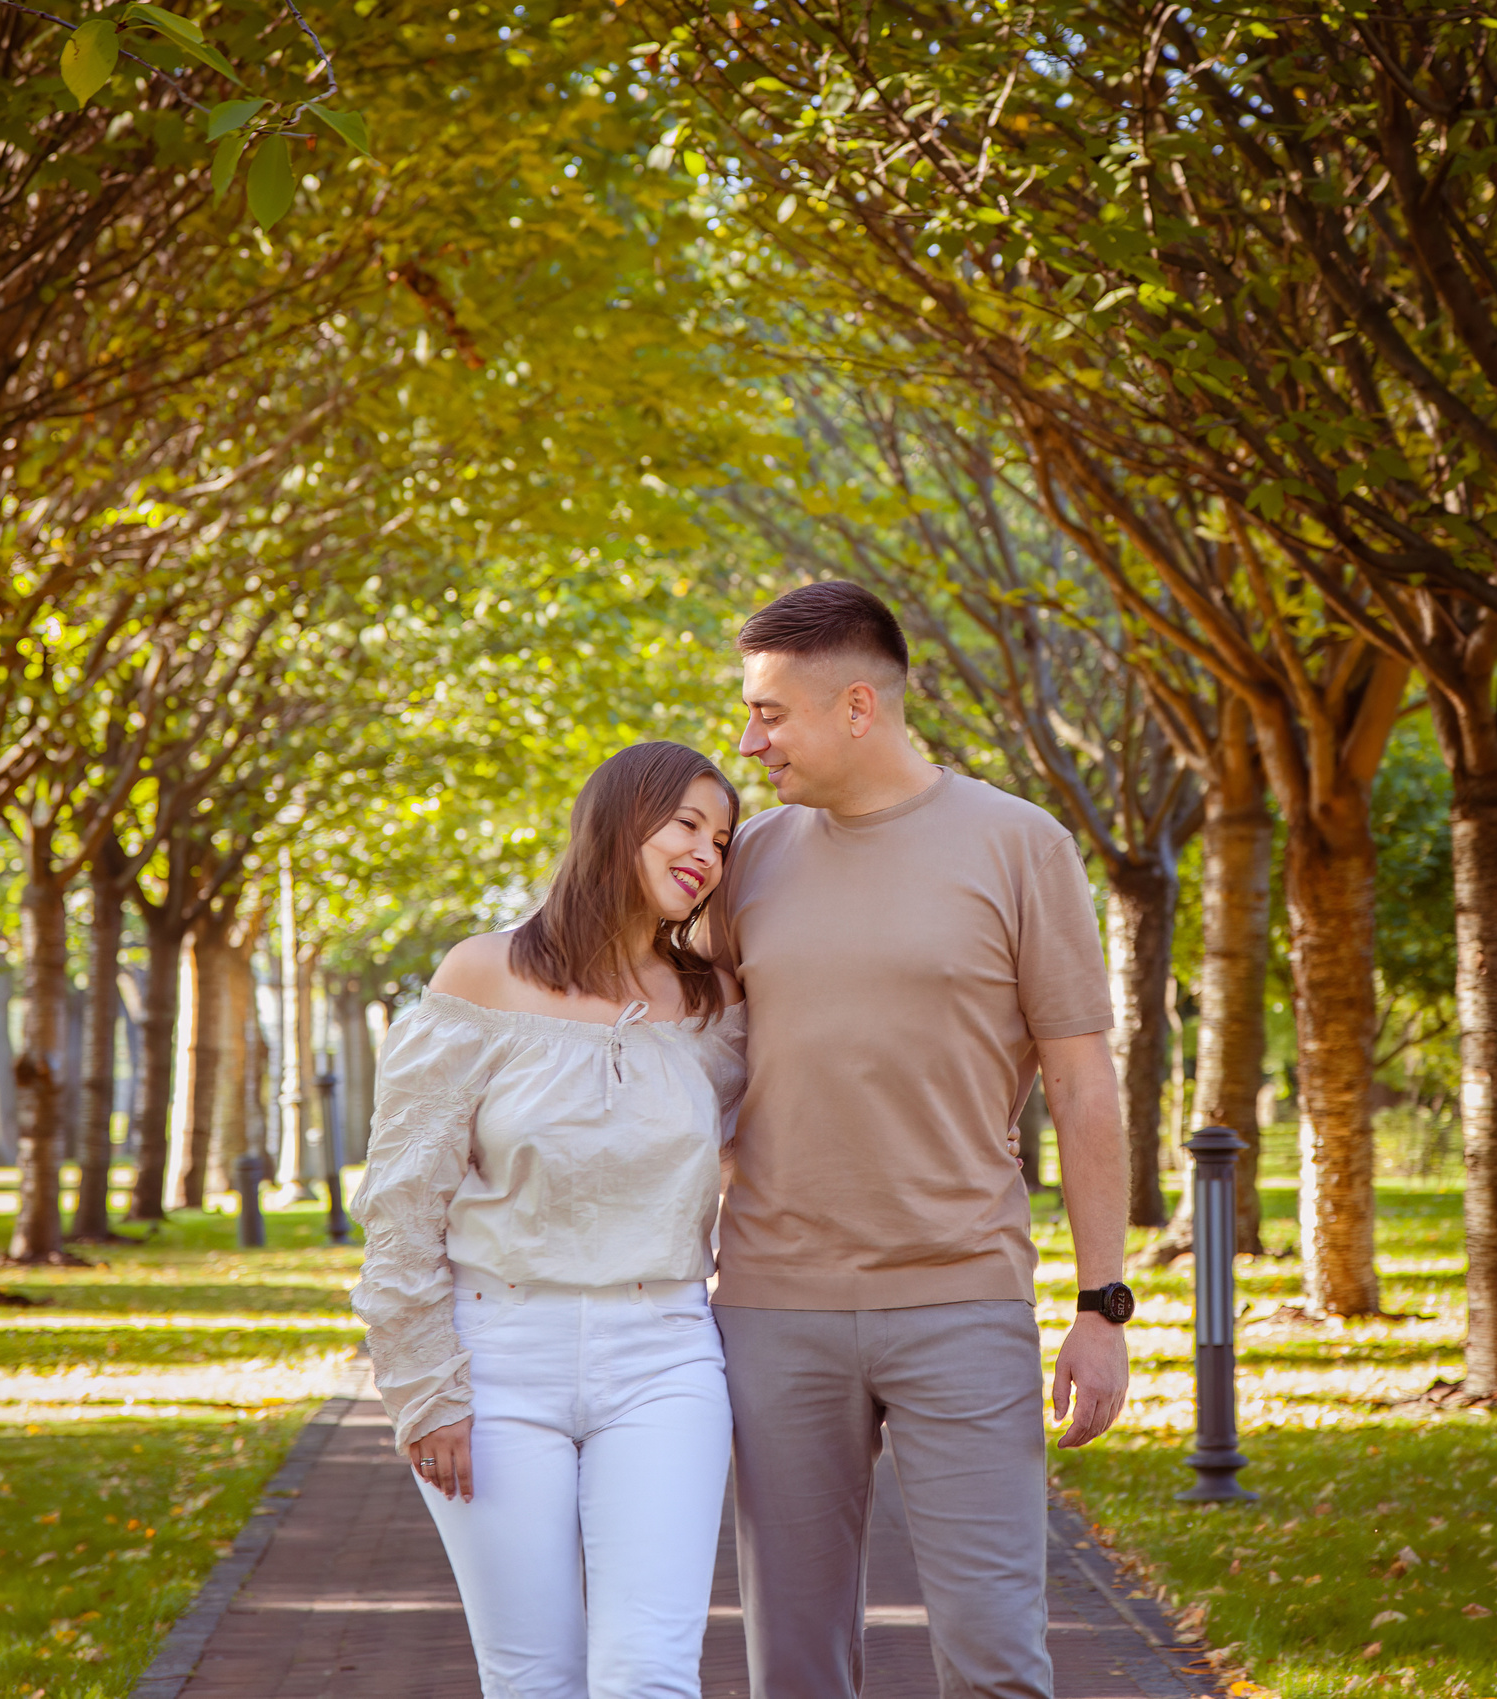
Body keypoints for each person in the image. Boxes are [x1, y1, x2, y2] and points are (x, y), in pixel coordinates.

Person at [713, 579, 1133, 1699]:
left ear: (858, 707)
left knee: (995, 1656)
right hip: (770, 1308)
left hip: (960, 1302)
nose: (749, 741)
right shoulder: (746, 860)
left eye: (768, 714)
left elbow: (1085, 1085)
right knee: (793, 1670)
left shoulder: (1017, 845)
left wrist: (1103, 1308)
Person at [352, 741, 747, 1699]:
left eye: (724, 839)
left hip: (666, 1356)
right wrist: (424, 1384)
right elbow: (404, 1198)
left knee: (648, 1672)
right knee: (533, 1677)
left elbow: (771, 1154)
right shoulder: (481, 975)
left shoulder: (716, 1005)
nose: (706, 853)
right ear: (619, 820)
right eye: (687, 823)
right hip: (496, 1359)